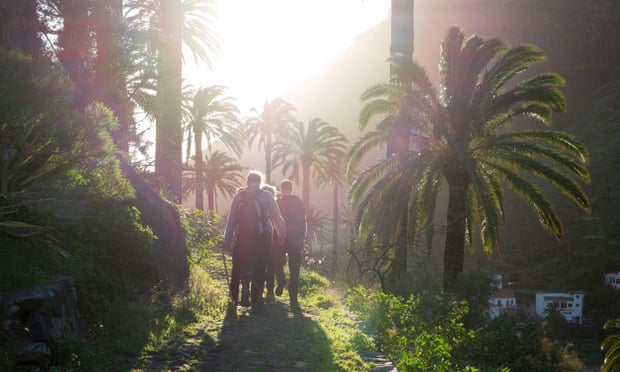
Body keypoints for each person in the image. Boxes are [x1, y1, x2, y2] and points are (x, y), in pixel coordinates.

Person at [223, 171, 286, 314]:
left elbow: (231, 219)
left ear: (247, 182)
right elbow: (277, 217)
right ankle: (255, 300)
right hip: (262, 238)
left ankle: (238, 296)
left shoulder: (239, 197)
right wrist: (282, 234)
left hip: (243, 238)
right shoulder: (266, 196)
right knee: (259, 268)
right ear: (260, 182)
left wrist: (226, 240)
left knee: (240, 266)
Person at [277, 179, 306, 307]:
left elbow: (274, 221)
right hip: (296, 239)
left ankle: (281, 280)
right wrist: (302, 237)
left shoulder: (278, 202)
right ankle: (293, 296)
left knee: (277, 262)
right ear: (291, 189)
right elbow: (304, 220)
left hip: (281, 237)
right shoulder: (298, 202)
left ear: (281, 189)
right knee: (294, 268)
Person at [261, 184, 286, 302]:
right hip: (276, 241)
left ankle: (269, 287)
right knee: (276, 265)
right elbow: (281, 221)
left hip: (266, 241)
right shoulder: (278, 205)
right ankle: (279, 282)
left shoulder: (259, 206)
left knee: (267, 265)